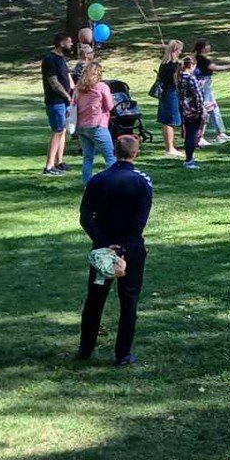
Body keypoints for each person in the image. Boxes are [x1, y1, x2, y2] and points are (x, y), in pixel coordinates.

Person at [78, 133, 152, 365]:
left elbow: (85, 216)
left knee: (95, 300)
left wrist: (101, 241)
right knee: (128, 301)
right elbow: (140, 220)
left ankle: (85, 349)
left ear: (114, 152)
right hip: (130, 250)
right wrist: (124, 245)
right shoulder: (142, 181)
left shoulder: (98, 180)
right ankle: (123, 354)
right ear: (135, 153)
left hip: (103, 252)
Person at [74, 61, 117, 184]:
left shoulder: (79, 88)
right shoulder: (102, 87)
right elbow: (109, 106)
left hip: (81, 126)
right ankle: (112, 184)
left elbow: (73, 104)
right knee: (110, 157)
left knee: (87, 158)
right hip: (97, 125)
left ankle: (86, 184)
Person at [41, 32, 74, 176]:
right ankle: (48, 167)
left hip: (65, 101)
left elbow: (68, 79)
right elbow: (54, 83)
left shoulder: (62, 59)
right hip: (56, 101)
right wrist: (67, 96)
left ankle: (59, 162)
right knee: (58, 130)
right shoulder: (50, 59)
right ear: (61, 43)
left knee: (63, 130)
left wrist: (73, 95)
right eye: (69, 41)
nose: (71, 44)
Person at [192, 39, 230, 146]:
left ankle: (220, 133)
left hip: (205, 86)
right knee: (206, 109)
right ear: (203, 48)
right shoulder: (203, 60)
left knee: (214, 109)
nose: (209, 47)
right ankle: (200, 137)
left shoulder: (198, 59)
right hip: (204, 87)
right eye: (208, 45)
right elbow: (215, 68)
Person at [152, 40, 184, 158]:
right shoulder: (174, 65)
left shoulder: (163, 63)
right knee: (170, 121)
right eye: (180, 49)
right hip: (171, 93)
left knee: (167, 121)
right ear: (175, 50)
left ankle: (170, 146)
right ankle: (170, 148)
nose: (181, 52)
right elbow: (177, 81)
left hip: (164, 94)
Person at [178, 56, 207, 169]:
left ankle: (189, 157)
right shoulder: (191, 78)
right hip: (193, 110)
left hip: (184, 109)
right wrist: (201, 110)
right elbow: (198, 96)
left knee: (188, 134)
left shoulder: (179, 77)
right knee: (192, 135)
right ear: (192, 65)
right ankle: (189, 160)